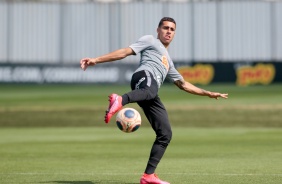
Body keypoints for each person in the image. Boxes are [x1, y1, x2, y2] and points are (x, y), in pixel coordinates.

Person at [80, 17, 228, 184]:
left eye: (172, 29)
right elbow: (125, 52)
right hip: (142, 77)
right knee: (150, 91)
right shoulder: (150, 40)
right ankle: (120, 100)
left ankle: (148, 175)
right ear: (158, 30)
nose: (168, 31)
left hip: (149, 91)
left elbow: (184, 84)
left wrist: (207, 93)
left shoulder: (168, 62)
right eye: (165, 28)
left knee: (165, 133)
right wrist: (95, 60)